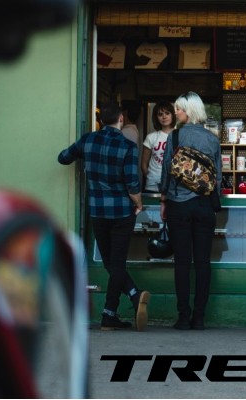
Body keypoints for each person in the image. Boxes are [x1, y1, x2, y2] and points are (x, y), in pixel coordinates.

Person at [57, 102, 150, 331]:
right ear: (121, 119)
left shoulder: (88, 140)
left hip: (97, 211)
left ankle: (132, 297)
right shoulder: (128, 146)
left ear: (101, 120)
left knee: (110, 262)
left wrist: (82, 155)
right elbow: (132, 183)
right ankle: (112, 311)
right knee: (116, 262)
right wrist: (138, 205)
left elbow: (63, 158)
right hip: (121, 212)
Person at [159, 92, 221, 331]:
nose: (176, 113)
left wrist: (164, 200)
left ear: (189, 111)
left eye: (179, 109)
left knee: (182, 263)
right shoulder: (212, 139)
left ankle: (183, 317)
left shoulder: (174, 136)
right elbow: (217, 178)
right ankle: (199, 317)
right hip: (204, 206)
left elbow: (167, 170)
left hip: (179, 205)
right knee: (203, 263)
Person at [141, 101, 175, 192]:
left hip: (173, 184)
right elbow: (144, 164)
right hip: (153, 184)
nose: (164, 117)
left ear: (173, 115)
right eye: (160, 114)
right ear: (156, 118)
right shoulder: (151, 137)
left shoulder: (180, 136)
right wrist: (151, 176)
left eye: (167, 113)